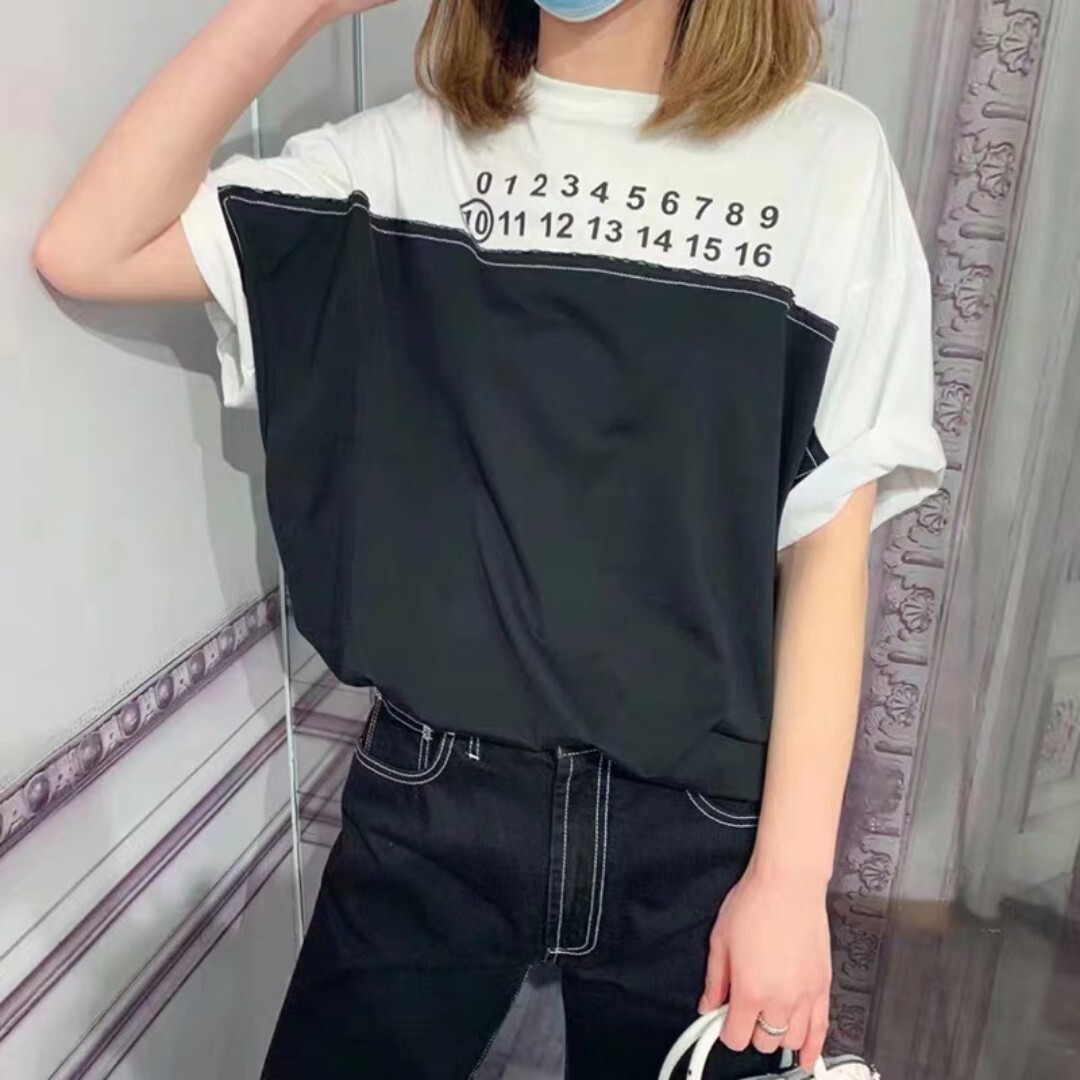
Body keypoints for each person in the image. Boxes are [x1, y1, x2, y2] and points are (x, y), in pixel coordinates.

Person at [34, 0, 946, 1076]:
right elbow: (88, 248)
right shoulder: (404, 158)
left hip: (701, 832)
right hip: (434, 805)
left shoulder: (827, 157)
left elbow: (827, 548)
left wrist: (791, 882)